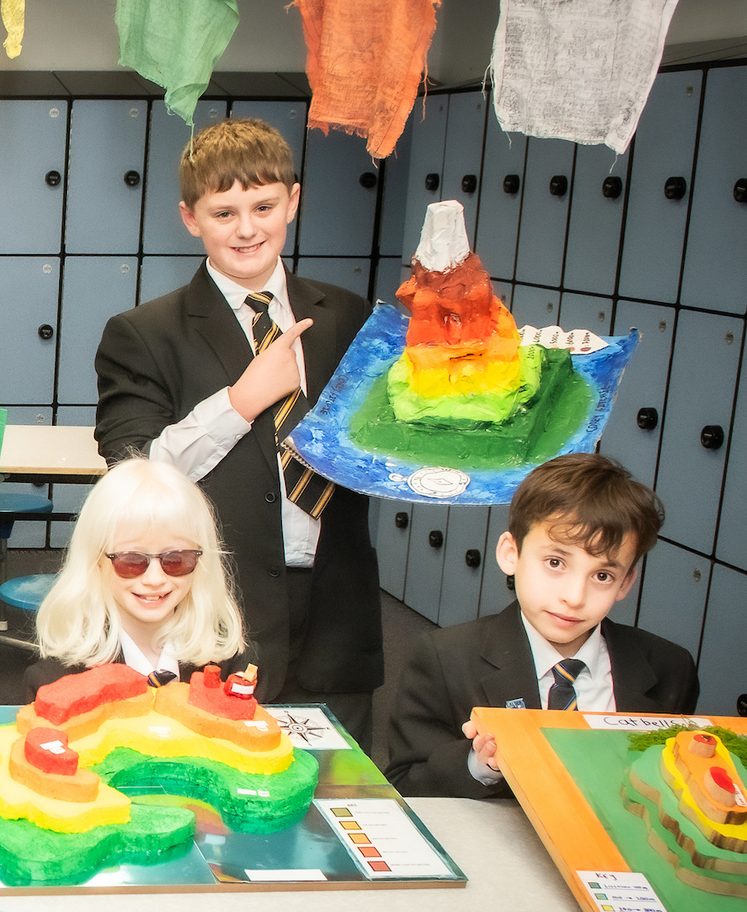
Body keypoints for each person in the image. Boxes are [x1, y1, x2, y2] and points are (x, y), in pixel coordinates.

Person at [93, 116, 382, 750]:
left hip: (336, 606)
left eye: (264, 206)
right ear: (190, 218)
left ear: (294, 202)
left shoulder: (349, 315)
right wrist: (242, 400)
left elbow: (383, 443)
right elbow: (133, 474)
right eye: (224, 213)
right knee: (214, 795)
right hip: (216, 611)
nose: (247, 228)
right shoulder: (144, 333)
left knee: (338, 793)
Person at [387, 453, 700, 798]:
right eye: (555, 562)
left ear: (626, 582)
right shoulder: (446, 658)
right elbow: (404, 781)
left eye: (602, 575)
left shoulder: (669, 667)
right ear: (511, 553)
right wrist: (478, 764)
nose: (575, 596)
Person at [24, 458, 246, 696]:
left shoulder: (236, 669)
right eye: (131, 561)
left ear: (202, 561)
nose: (154, 579)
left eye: (176, 560)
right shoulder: (55, 682)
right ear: (95, 561)